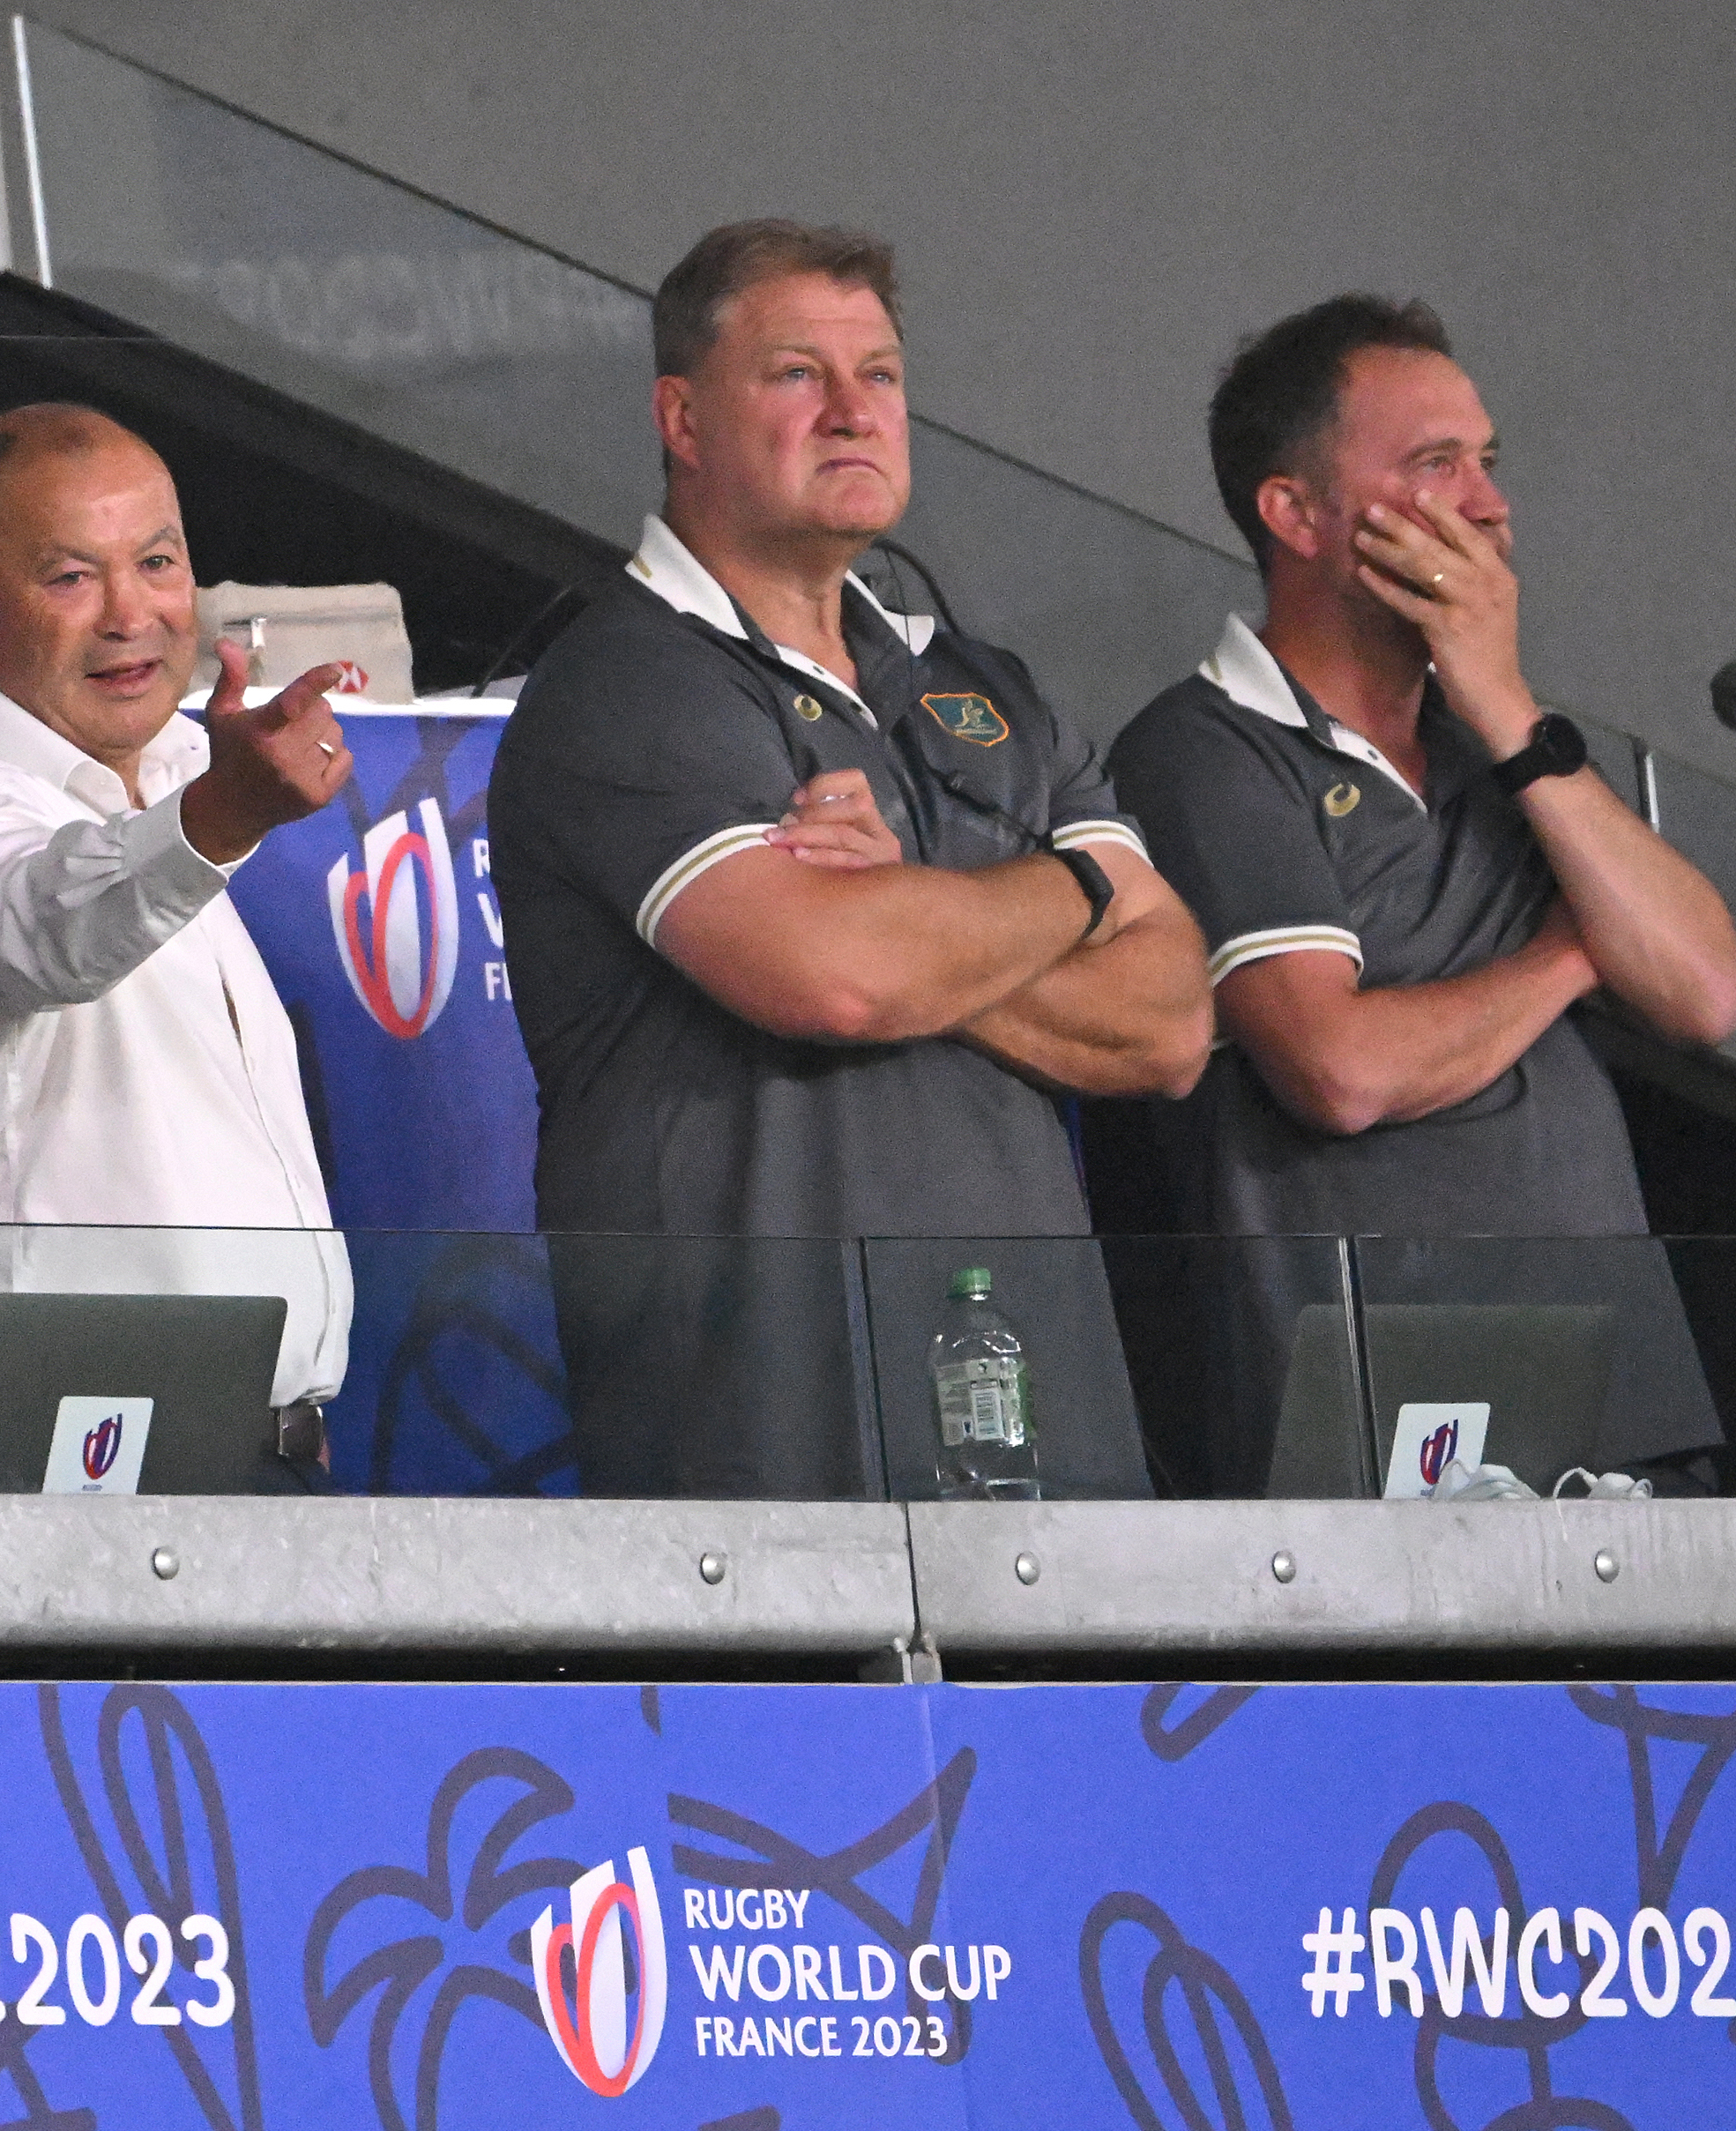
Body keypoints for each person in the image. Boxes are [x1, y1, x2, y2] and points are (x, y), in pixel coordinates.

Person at [486, 220, 1212, 1499]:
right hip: (765, 1452)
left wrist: (911, 913)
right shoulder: (624, 683)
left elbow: (1165, 1025)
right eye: (793, 374)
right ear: (681, 417)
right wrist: (1079, 888)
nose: (851, 412)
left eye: (877, 374)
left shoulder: (990, 689)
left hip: (1038, 1428)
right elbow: (838, 982)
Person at [1108, 294, 1736, 1494]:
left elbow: (1706, 992)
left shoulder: (1506, 749)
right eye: (1434, 464)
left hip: (1618, 1419)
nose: (1489, 503)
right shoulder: (1199, 750)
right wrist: (1569, 954)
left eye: (1487, 463)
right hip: (1381, 1440)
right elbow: (1336, 1067)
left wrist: (1506, 706)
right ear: (1296, 512)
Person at [0, 404, 354, 1466]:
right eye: (71, 578)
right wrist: (222, 817)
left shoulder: (170, 775)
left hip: (256, 1461)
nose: (132, 614)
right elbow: (48, 923)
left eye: (157, 563)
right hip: (67, 1463)